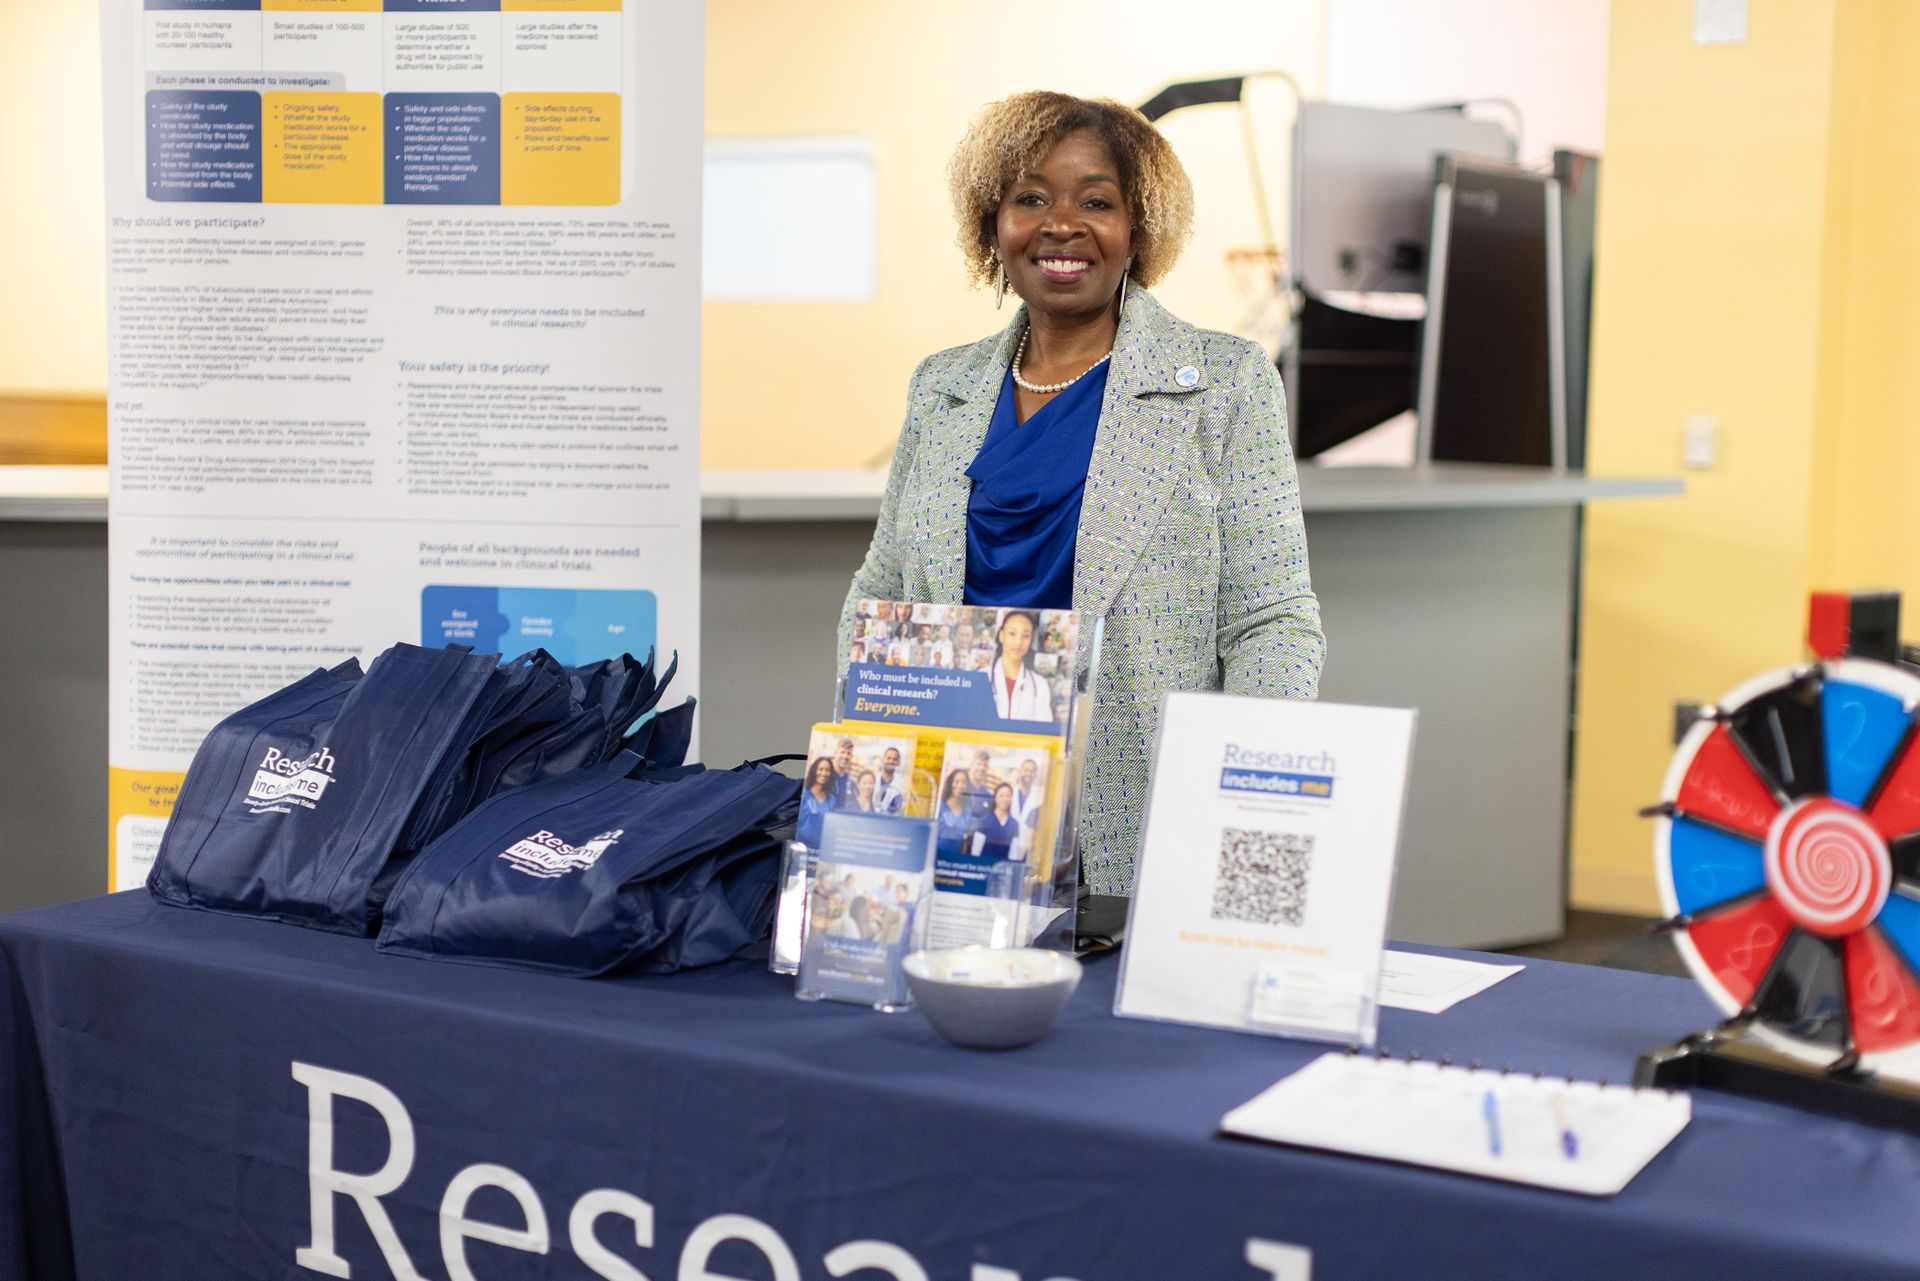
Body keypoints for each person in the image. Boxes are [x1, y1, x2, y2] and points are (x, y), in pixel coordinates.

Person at [836, 91, 1323, 895]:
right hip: (955, 807)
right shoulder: (942, 387)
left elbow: (1273, 622)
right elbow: (883, 592)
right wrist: (869, 772)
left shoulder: (1225, 386)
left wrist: (1239, 800)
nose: (1062, 224)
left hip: (1133, 820)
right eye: (1031, 198)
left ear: (1139, 227)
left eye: (1096, 201)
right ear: (993, 225)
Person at [987, 609, 1053, 722]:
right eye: (1012, 633)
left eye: (1026, 636)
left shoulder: (1039, 685)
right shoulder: (982, 676)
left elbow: (1043, 734)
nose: (1018, 642)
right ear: (1001, 635)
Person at [973, 783, 1021, 862]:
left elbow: (1013, 854)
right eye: (1001, 796)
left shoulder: (1014, 824)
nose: (1005, 799)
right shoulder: (985, 820)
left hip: (1002, 869)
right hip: (984, 866)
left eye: (1008, 796)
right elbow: (976, 851)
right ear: (995, 798)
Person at [796, 756, 837, 848]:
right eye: (820, 769)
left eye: (828, 770)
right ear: (814, 771)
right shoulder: (803, 794)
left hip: (822, 848)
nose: (824, 773)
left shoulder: (832, 799)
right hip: (801, 847)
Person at [935, 768, 974, 858]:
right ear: (950, 783)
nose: (960, 786)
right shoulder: (940, 806)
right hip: (937, 854)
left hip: (955, 858)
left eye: (963, 782)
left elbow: (965, 839)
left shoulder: (967, 811)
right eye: (956, 782)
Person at [872, 746, 907, 815]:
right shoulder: (872, 780)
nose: (891, 761)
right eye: (888, 758)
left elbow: (902, 809)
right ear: (883, 760)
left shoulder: (903, 785)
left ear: (898, 763)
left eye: (894, 759)